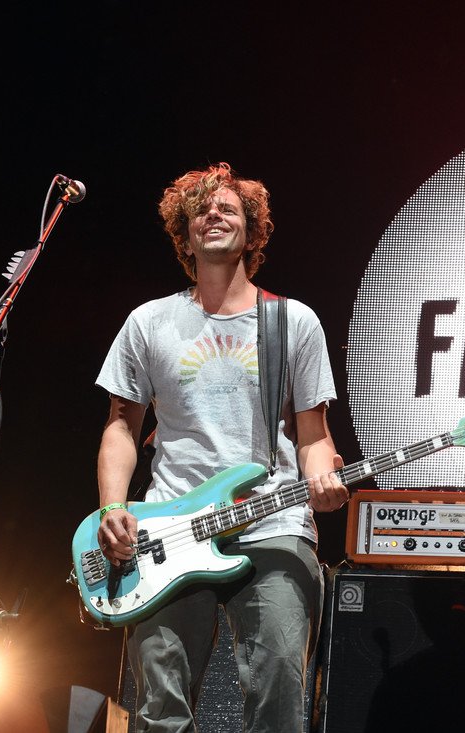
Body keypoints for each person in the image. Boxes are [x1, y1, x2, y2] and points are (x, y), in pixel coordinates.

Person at [95, 161, 348, 731]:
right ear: (184, 236)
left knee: (279, 692)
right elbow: (121, 428)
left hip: (272, 525)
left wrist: (322, 478)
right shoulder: (149, 322)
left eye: (227, 208)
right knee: (159, 707)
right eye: (200, 210)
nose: (213, 214)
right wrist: (113, 506)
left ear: (252, 233)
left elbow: (313, 436)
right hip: (168, 531)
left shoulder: (294, 323)